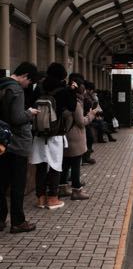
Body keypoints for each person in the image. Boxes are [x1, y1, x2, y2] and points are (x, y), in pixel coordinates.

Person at [30, 63, 77, 210]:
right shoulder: (63, 90)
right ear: (63, 75)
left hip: (38, 133)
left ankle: (40, 199)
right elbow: (72, 107)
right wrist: (72, 90)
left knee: (41, 166)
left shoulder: (38, 87)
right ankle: (52, 198)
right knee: (55, 166)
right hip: (55, 134)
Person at [0, 62, 39, 233]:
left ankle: (0, 219)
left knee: (1, 183)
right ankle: (18, 221)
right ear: (25, 76)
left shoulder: (1, 84)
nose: (28, 85)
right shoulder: (15, 90)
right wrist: (30, 113)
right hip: (16, 144)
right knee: (17, 185)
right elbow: (16, 118)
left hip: (2, 141)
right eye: (29, 82)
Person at [59, 76, 97, 200]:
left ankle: (62, 187)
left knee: (65, 163)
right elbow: (81, 122)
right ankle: (76, 190)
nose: (84, 89)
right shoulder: (76, 103)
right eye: (83, 86)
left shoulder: (64, 99)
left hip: (65, 136)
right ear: (79, 87)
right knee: (75, 164)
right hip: (75, 137)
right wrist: (91, 115)